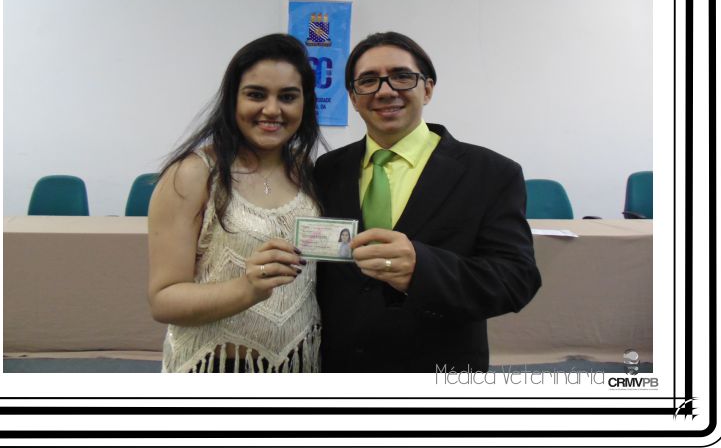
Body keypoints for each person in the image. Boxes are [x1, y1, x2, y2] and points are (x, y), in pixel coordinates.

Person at [315, 31, 542, 373]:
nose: (385, 90)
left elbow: (516, 279)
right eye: (368, 81)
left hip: (437, 368)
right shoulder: (327, 169)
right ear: (353, 97)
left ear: (428, 89)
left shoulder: (491, 173)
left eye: (401, 76)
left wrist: (421, 269)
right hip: (339, 368)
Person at [148, 34, 323, 373]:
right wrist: (246, 288)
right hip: (215, 366)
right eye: (256, 94)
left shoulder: (307, 171)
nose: (272, 110)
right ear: (232, 100)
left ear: (305, 103)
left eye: (288, 97)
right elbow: (163, 300)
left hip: (301, 362)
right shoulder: (193, 175)